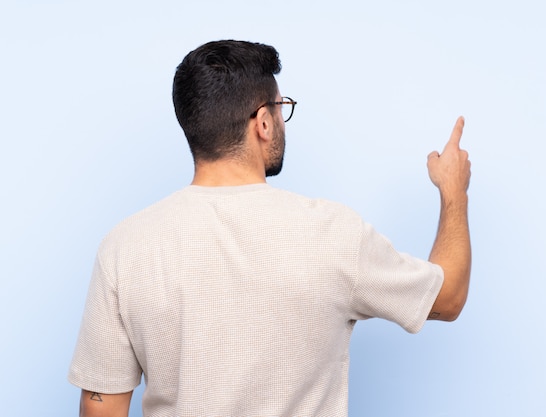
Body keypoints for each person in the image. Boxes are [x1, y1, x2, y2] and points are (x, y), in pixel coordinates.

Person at [68, 39, 471, 417]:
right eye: (281, 107)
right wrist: (453, 190)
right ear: (263, 122)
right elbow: (448, 297)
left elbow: (101, 408)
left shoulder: (125, 246)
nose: (281, 119)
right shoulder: (334, 233)